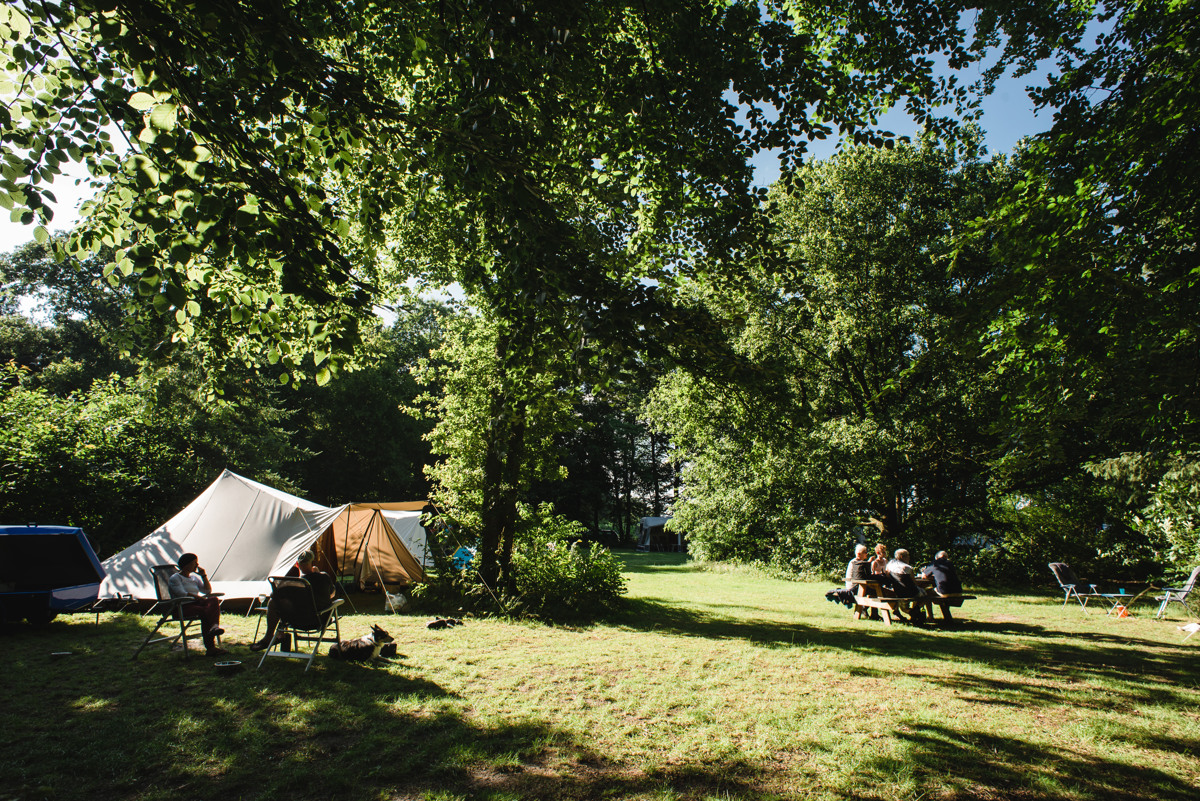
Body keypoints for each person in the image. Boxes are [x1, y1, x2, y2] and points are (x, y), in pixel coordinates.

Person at [249, 550, 336, 652]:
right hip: (319, 620)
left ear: (297, 565)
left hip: (295, 621)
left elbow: (273, 595)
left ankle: (270, 636)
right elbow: (332, 594)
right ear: (312, 562)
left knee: (274, 602)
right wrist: (318, 574)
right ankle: (279, 636)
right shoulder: (324, 577)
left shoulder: (294, 583)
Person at [168, 553, 227, 656]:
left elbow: (207, 591)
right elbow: (181, 593)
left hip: (197, 604)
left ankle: (214, 627)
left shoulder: (194, 578)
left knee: (213, 599)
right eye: (194, 563)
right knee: (205, 612)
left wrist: (204, 576)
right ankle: (211, 647)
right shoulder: (175, 578)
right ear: (186, 565)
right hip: (182, 607)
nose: (197, 565)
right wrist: (197, 597)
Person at [885, 548, 926, 622]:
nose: (909, 557)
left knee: (904, 606)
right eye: (907, 556)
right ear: (901, 557)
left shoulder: (889, 566)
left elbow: (887, 575)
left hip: (899, 592)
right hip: (912, 592)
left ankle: (913, 613)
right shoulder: (908, 568)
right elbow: (914, 582)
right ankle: (916, 610)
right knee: (925, 594)